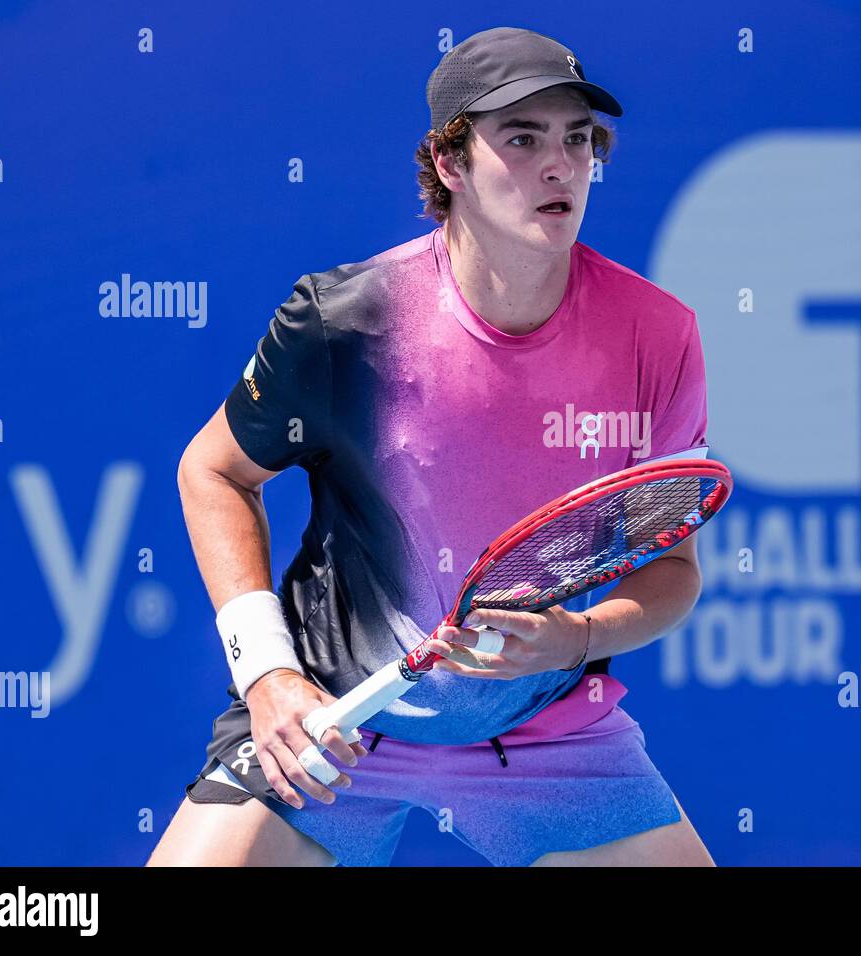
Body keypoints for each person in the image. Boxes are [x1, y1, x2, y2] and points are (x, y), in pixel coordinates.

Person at [147, 26, 714, 867]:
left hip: (549, 734)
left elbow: (672, 571)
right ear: (450, 164)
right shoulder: (346, 319)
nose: (561, 165)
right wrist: (266, 673)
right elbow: (215, 471)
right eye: (521, 138)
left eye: (576, 139)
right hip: (336, 727)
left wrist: (578, 637)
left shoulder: (658, 335)